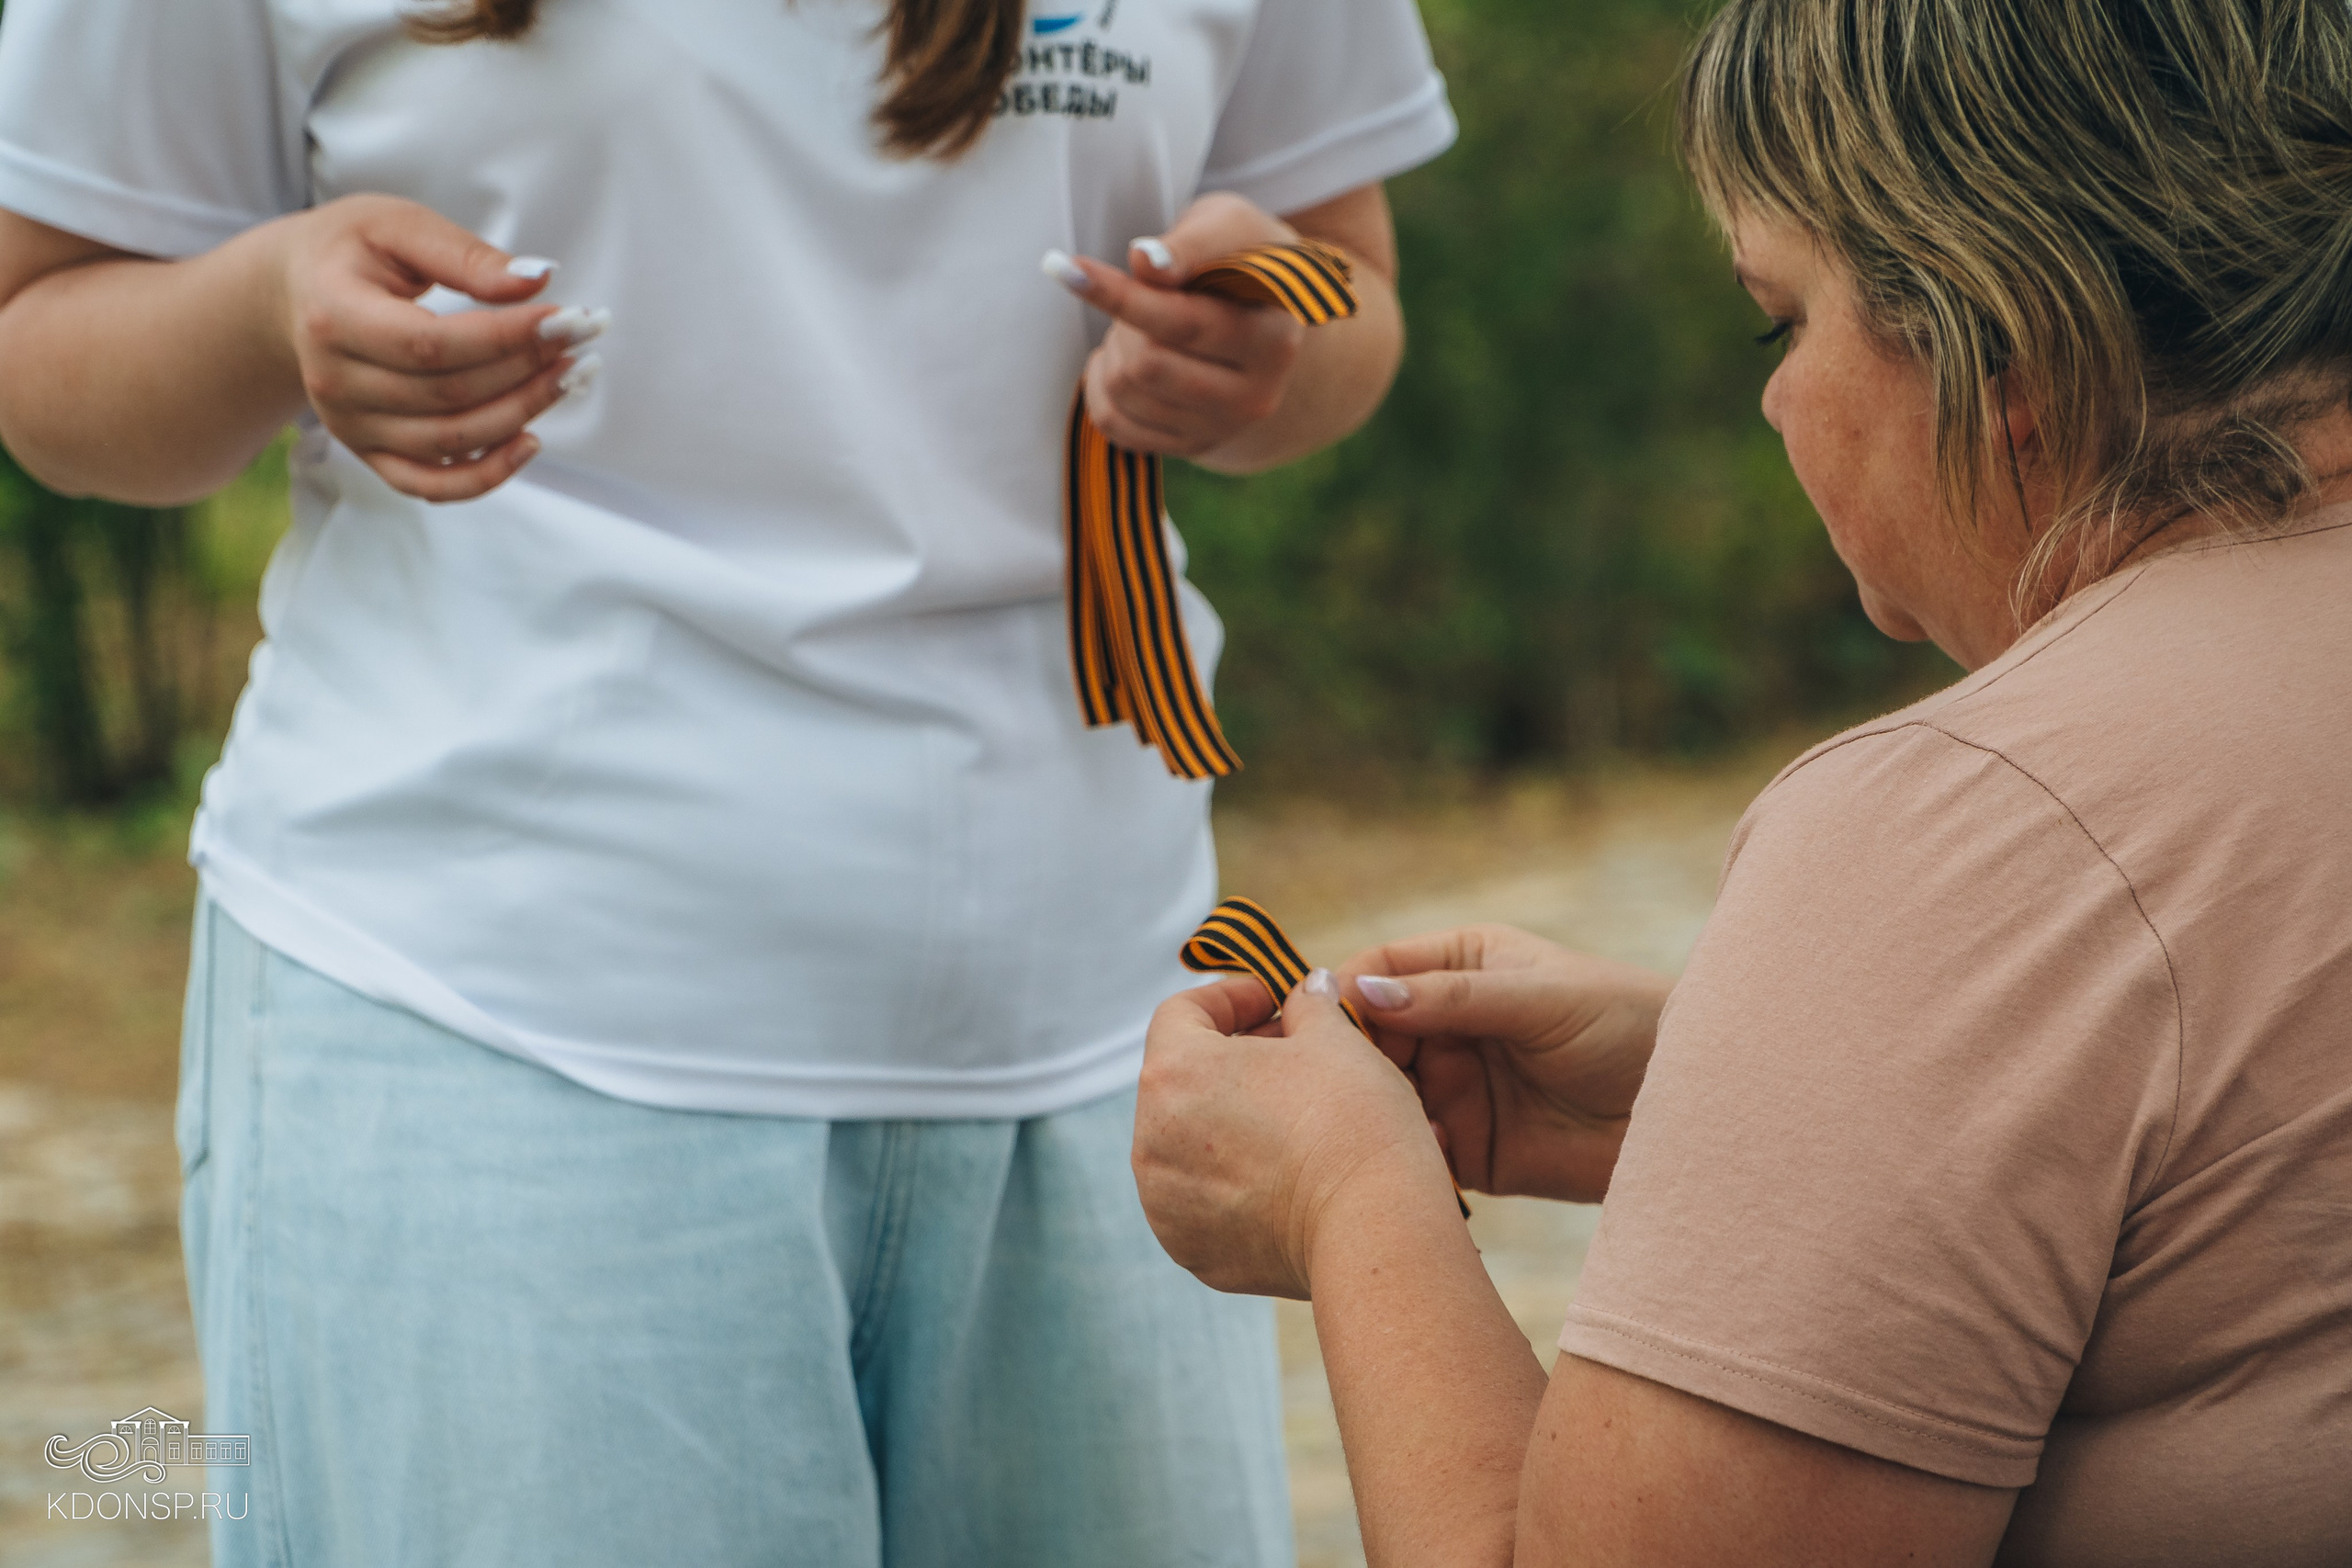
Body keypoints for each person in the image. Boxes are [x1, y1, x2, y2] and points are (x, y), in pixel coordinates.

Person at [0, 0, 1455, 1562]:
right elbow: (41, 341)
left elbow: (1344, 280)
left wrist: (1268, 340)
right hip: (491, 1046)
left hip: (1110, 1047)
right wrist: (263, 307)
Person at [1132, 1, 2352, 1562]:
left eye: (1781, 320)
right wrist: (1734, 1089)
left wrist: (1352, 1199)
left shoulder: (1977, 830)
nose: (1775, 402)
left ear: (2000, 330)